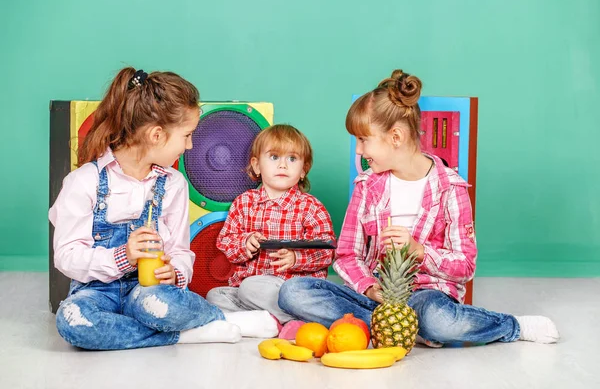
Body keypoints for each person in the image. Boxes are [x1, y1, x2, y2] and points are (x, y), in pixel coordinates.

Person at [278, 70, 559, 346]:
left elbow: (465, 265)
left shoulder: (450, 188)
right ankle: (401, 329)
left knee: (438, 319)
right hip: (375, 295)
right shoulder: (367, 186)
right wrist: (371, 288)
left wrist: (419, 251)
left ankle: (510, 326)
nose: (359, 152)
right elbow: (348, 254)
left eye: (363, 140)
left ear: (396, 137)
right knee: (293, 292)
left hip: (426, 295)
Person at [50, 67, 277, 350]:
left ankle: (216, 319)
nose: (191, 144)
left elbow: (181, 251)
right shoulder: (84, 182)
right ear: (157, 135)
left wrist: (176, 273)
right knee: (72, 321)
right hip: (96, 292)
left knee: (160, 304)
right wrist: (122, 256)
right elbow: (67, 256)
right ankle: (187, 334)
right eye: (187, 135)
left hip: (149, 292)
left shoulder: (173, 184)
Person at [207, 124, 335, 338]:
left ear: (303, 170)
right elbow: (226, 242)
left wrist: (296, 258)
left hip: (290, 289)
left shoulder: (310, 207)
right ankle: (275, 323)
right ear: (257, 166)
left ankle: (296, 322)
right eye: (274, 157)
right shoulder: (244, 203)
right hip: (248, 291)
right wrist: (244, 243)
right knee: (215, 296)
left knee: (251, 287)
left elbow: (327, 251)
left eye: (292, 159)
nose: (283, 165)